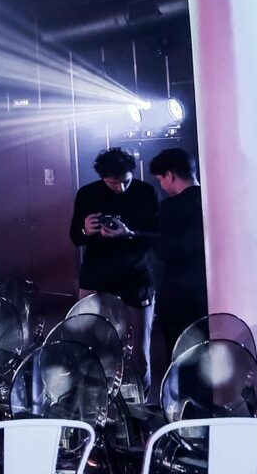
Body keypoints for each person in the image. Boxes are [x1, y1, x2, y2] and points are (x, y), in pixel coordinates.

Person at [69, 147, 159, 391]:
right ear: (102, 177)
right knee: (89, 343)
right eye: (113, 183)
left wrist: (129, 233)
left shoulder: (145, 192)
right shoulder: (87, 194)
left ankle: (139, 401)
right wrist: (86, 230)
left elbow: (157, 235)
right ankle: (97, 399)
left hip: (136, 276)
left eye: (125, 181)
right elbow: (75, 237)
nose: (120, 188)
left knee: (139, 349)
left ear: (132, 172)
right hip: (97, 275)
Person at [147, 147, 206, 375]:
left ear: (170, 175)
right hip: (211, 294)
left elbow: (164, 250)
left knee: (181, 359)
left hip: (179, 296)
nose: (161, 185)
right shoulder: (213, 199)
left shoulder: (170, 207)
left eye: (160, 179)